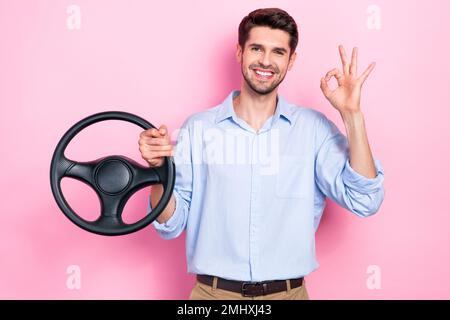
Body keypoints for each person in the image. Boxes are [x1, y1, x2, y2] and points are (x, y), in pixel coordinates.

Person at [138, 7, 385, 300]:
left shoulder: (313, 130)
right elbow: (170, 224)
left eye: (278, 52)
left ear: (291, 60)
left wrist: (352, 115)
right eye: (257, 48)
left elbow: (365, 199)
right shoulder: (198, 129)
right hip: (213, 296)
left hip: (289, 295)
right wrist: (157, 172)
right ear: (240, 52)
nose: (266, 61)